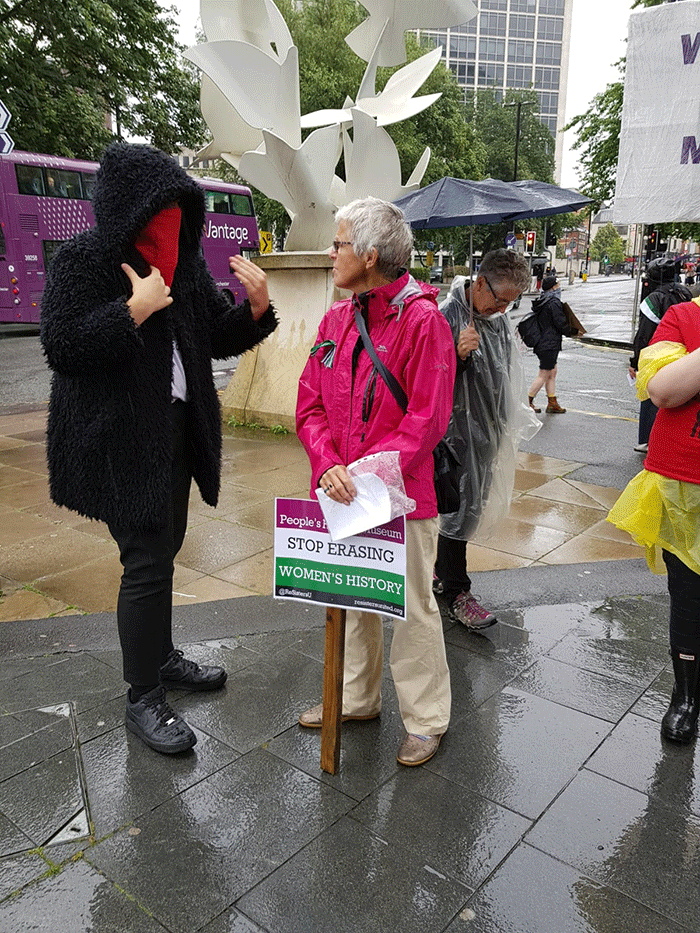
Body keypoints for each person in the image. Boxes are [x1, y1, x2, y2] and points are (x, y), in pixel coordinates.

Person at [40, 142, 278, 755]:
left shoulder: (186, 265)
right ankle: (142, 695)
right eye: (158, 210)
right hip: (116, 439)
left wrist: (255, 310)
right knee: (145, 561)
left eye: (179, 208)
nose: (169, 223)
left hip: (173, 431)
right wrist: (133, 311)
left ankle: (162, 656)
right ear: (129, 210)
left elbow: (215, 339)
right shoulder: (84, 261)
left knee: (165, 547)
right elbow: (63, 347)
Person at [296, 197, 456, 767]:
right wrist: (326, 465)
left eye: (338, 244)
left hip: (403, 500)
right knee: (351, 598)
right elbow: (310, 402)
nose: (331, 253)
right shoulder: (337, 318)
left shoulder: (423, 321)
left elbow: (427, 421)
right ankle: (354, 697)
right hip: (344, 494)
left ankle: (427, 718)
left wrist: (362, 474)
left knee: (412, 609)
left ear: (368, 255)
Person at [608, 298, 700, 744]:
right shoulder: (684, 317)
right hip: (684, 486)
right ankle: (685, 698)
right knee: (687, 597)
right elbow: (661, 390)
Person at [433, 250, 536, 630]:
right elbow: (426, 379)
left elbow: (503, 376)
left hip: (486, 433)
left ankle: (440, 572)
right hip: (453, 438)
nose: (504, 307)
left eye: (512, 302)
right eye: (500, 298)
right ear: (480, 283)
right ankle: (457, 592)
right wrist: (455, 355)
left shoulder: (495, 318)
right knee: (456, 511)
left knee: (467, 510)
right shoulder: (447, 316)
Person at [628, 257, 691, 453]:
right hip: (683, 353)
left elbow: (644, 333)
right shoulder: (685, 293)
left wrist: (636, 361)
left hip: (658, 355)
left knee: (651, 395)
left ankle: (647, 440)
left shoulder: (653, 299)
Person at [527, 273, 578, 414]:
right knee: (544, 374)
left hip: (543, 342)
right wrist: (572, 331)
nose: (559, 288)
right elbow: (560, 323)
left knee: (552, 371)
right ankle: (527, 402)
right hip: (549, 343)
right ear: (553, 287)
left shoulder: (543, 300)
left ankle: (552, 402)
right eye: (558, 285)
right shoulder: (554, 303)